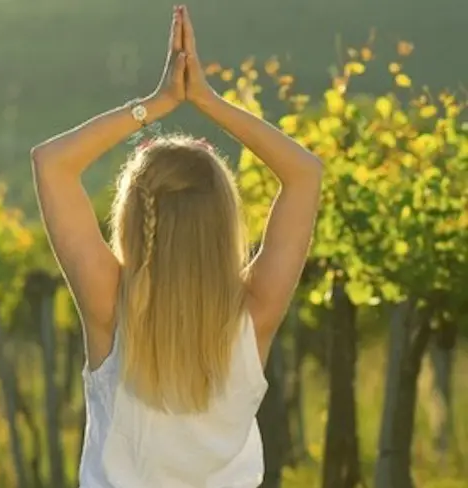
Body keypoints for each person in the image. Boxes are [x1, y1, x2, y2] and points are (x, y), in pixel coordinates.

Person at [30, 4, 323, 487]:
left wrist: (158, 103)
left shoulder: (110, 305)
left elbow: (52, 163)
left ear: (132, 215)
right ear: (223, 219)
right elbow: (304, 173)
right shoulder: (255, 312)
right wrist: (207, 100)